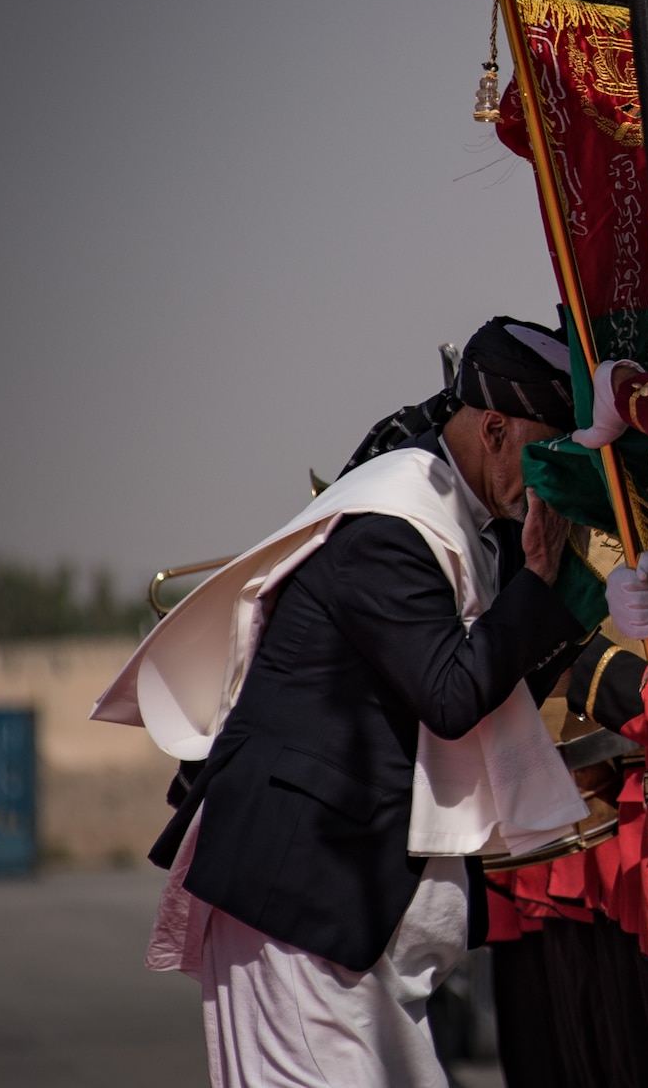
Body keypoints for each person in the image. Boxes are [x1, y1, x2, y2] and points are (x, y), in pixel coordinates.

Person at [96, 315, 599, 1088]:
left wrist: (580, 607)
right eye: (547, 454)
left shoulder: (464, 519)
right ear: (495, 428)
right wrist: (537, 578)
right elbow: (454, 695)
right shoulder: (391, 525)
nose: (550, 485)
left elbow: (496, 700)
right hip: (301, 897)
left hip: (345, 912)